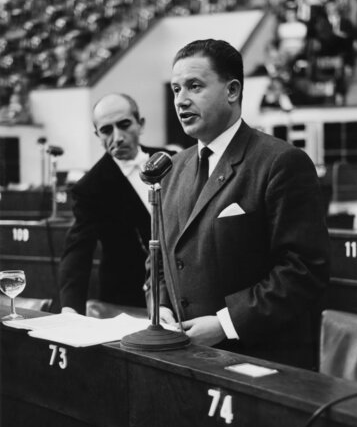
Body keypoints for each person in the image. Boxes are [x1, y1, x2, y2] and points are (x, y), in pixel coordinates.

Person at [150, 39, 330, 369]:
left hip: (260, 361)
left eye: (194, 86)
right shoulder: (172, 168)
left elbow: (304, 269)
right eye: (176, 89)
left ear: (232, 91)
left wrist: (226, 323)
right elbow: (159, 260)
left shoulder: (280, 162)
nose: (181, 101)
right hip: (184, 357)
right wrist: (160, 305)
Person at [59, 93, 173, 315]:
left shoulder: (173, 159)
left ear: (140, 125)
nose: (117, 137)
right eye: (107, 130)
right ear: (97, 135)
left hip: (182, 290)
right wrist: (70, 310)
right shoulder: (89, 188)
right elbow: (77, 251)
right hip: (127, 299)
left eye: (124, 125)